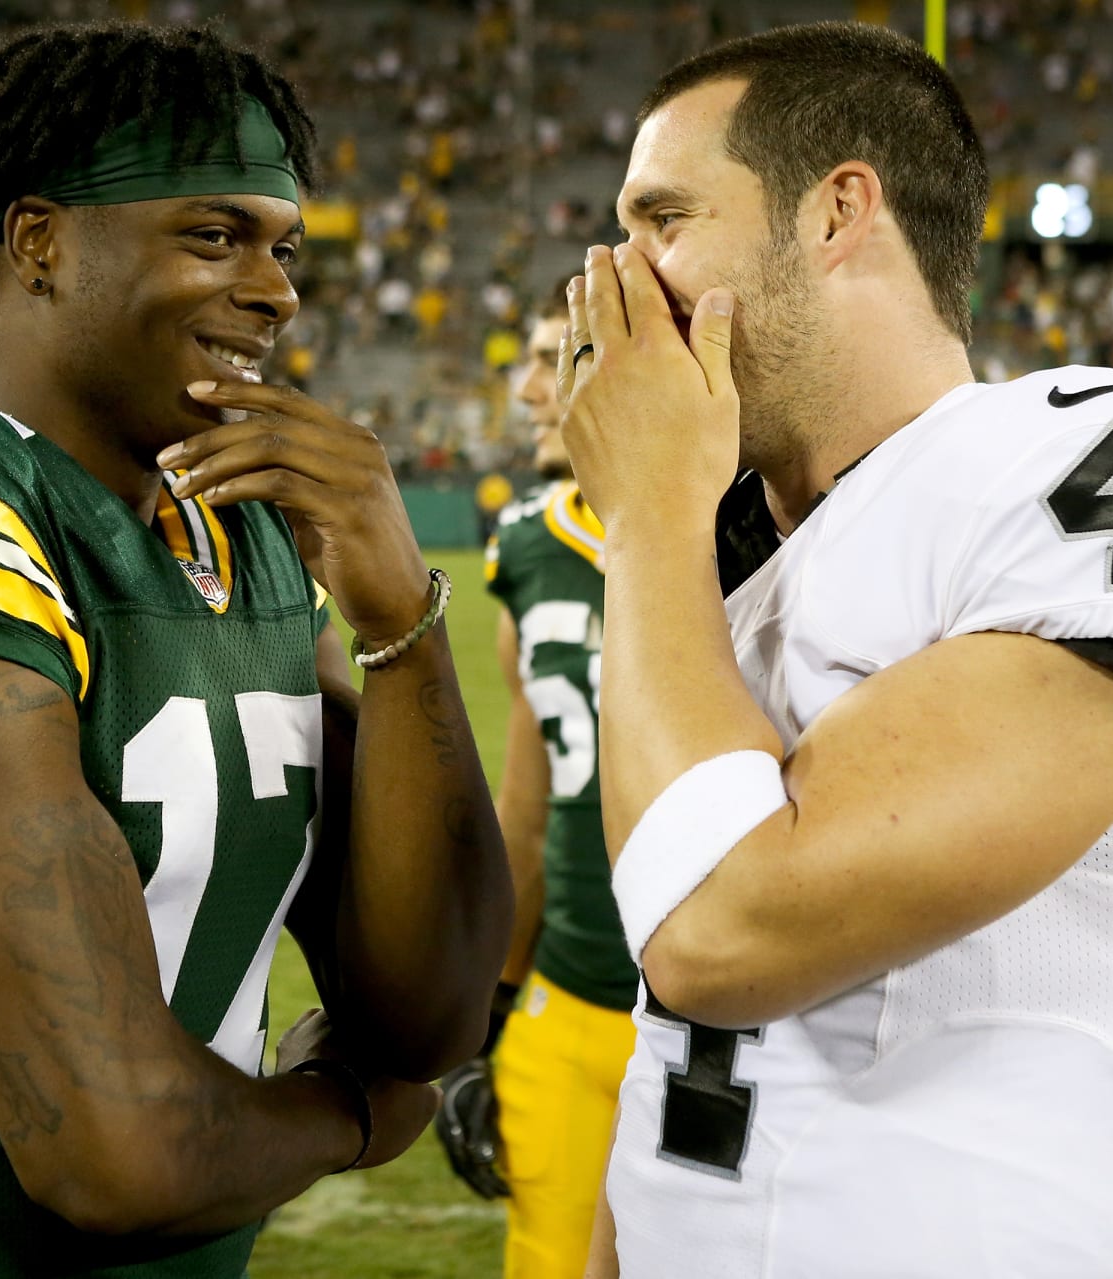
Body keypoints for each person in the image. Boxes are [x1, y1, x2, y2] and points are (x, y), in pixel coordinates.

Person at [0, 22, 511, 1278]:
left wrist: (403, 620)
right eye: (213, 234)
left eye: (284, 246)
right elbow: (115, 1155)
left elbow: (427, 1006)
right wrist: (345, 1113)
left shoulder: (233, 532)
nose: (277, 288)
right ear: (38, 241)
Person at [556, 23, 1113, 1278]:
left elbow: (727, 932)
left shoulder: (1087, 457)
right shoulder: (727, 547)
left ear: (838, 210)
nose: (621, 274)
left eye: (665, 219)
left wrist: (646, 522)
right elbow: (673, 1041)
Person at [435, 285, 639, 1279]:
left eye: (562, 355)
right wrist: (491, 1013)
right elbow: (527, 806)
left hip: (719, 1020)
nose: (528, 392)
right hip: (568, 995)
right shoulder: (529, 545)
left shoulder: (755, 529)